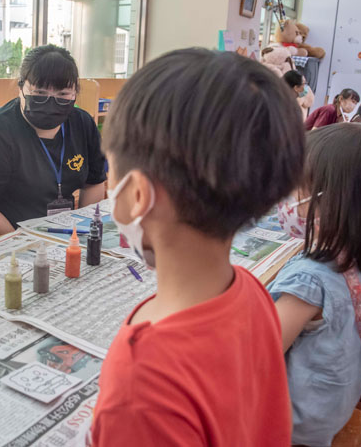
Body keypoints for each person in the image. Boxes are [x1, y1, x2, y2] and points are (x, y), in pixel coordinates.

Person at [90, 49, 303, 445]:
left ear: (137, 195)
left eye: (109, 168)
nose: (107, 183)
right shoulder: (251, 291)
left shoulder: (141, 382)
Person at [267, 123, 361, 446]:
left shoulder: (310, 279)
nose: (287, 200)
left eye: (297, 190)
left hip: (294, 427)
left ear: (331, 203)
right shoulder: (358, 260)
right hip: (329, 413)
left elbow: (256, 353)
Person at [0, 45, 106, 249]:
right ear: (21, 87)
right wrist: (26, 249)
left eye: (63, 93)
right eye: (39, 92)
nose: (51, 101)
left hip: (58, 238)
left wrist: (81, 235)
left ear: (75, 92)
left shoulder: (82, 124)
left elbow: (94, 182)